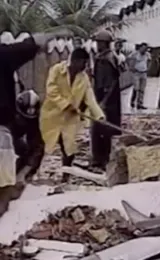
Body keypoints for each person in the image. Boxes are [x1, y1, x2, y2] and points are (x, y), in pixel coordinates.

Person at [0, 31, 71, 216]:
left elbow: (37, 148)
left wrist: (24, 174)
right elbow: (30, 44)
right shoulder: (4, 55)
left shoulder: (29, 125)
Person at [39, 48, 105, 181]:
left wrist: (99, 115)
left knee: (69, 148)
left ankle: (66, 176)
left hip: (69, 120)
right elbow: (51, 90)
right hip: (52, 116)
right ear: (74, 61)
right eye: (83, 62)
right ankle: (32, 172)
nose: (85, 66)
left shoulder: (83, 78)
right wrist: (65, 105)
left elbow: (89, 97)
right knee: (42, 146)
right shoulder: (57, 70)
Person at [91, 29, 122, 170]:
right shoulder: (101, 57)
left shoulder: (107, 59)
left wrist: (103, 102)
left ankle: (103, 159)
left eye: (100, 42)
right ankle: (98, 158)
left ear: (105, 43)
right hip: (100, 97)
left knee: (104, 130)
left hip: (106, 100)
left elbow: (111, 83)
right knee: (98, 130)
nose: (98, 45)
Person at [128, 42, 151, 110]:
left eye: (146, 49)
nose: (144, 50)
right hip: (136, 73)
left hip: (143, 73)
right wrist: (131, 67)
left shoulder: (147, 55)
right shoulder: (135, 54)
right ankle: (132, 101)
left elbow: (150, 61)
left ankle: (140, 103)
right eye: (143, 48)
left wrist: (148, 68)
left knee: (142, 89)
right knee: (136, 88)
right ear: (140, 48)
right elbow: (128, 59)